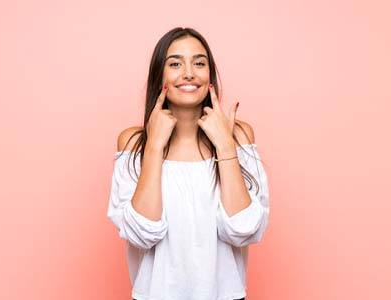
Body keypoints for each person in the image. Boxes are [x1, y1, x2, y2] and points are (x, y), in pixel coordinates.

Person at [107, 27, 270, 300]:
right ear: (160, 76)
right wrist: (155, 147)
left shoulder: (238, 136)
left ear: (210, 76)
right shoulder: (134, 142)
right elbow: (142, 234)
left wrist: (225, 145)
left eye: (199, 62)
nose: (188, 73)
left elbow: (244, 229)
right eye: (175, 63)